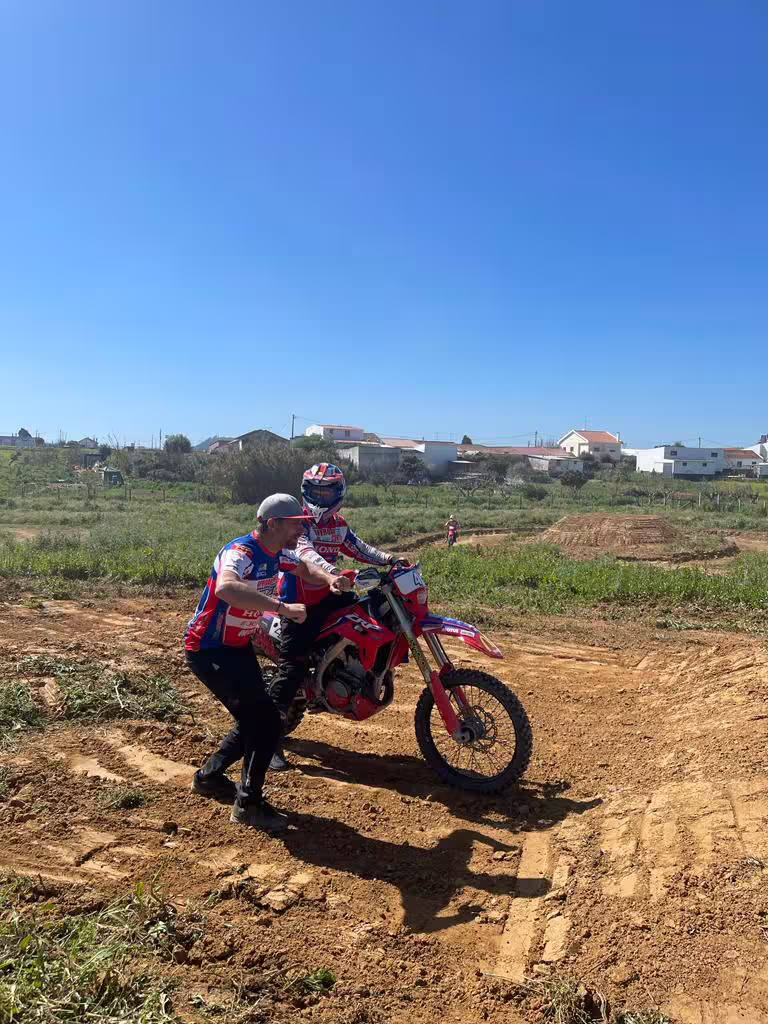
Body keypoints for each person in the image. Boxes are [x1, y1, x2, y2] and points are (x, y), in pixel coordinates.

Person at [185, 493, 351, 831]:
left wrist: (330, 579)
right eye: (295, 525)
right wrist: (283, 608)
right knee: (264, 723)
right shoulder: (241, 552)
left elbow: (306, 568)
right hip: (209, 649)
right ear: (273, 524)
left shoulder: (277, 554)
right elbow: (227, 588)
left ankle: (210, 777)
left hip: (237, 646)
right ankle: (247, 804)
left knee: (258, 720)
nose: (299, 532)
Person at [268, 463, 403, 771]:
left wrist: (390, 559)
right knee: (292, 669)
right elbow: (307, 554)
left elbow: (358, 548)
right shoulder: (298, 524)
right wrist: (332, 573)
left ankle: (349, 675)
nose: (321, 496)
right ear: (305, 491)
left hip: (332, 594)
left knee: (372, 618)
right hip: (298, 602)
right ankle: (270, 742)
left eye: (327, 491)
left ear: (338, 492)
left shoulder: (338, 524)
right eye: (316, 491)